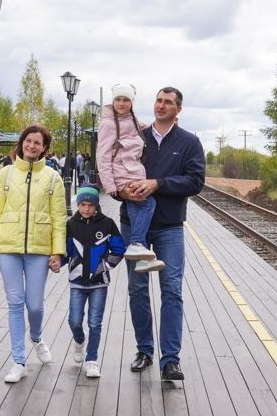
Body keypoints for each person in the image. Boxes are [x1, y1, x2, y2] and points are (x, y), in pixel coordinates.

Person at [119, 87, 205, 382]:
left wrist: (158, 183)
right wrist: (122, 190)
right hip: (133, 225)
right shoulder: (135, 137)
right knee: (137, 290)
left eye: (168, 102)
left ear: (178, 109)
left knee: (171, 290)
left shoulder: (190, 143)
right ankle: (144, 350)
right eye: (158, 100)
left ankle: (170, 360)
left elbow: (195, 182)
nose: (161, 105)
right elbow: (114, 169)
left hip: (169, 226)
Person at [0, 125, 67, 384]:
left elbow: (59, 218)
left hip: (39, 248)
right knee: (15, 302)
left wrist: (57, 251)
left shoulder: (53, 178)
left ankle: (37, 337)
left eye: (37, 143)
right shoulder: (4, 175)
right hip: (7, 247)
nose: (32, 146)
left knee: (35, 305)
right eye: (28, 141)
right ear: (21, 143)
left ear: (44, 148)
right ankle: (18, 360)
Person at [95, 83, 162, 271]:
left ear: (131, 103)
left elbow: (149, 128)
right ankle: (135, 244)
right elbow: (103, 156)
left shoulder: (132, 120)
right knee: (148, 204)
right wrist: (110, 187)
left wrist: (170, 125)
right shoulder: (108, 124)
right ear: (113, 101)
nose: (122, 104)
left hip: (134, 173)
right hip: (123, 175)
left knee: (137, 210)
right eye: (118, 99)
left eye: (126, 100)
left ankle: (141, 258)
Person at [63, 186, 125, 378]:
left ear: (97, 205)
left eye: (90, 205)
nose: (87, 209)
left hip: (99, 282)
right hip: (77, 281)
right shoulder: (71, 225)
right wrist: (58, 261)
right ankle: (79, 340)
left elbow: (118, 249)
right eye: (82, 204)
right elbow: (66, 250)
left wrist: (104, 267)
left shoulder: (107, 224)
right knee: (74, 320)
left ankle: (92, 360)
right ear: (78, 204)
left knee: (95, 323)